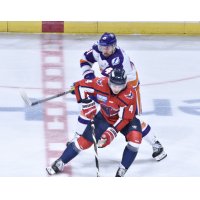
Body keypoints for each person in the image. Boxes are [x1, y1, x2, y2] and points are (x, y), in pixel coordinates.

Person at [68, 32, 167, 162]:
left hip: (128, 87)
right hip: (109, 85)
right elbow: (84, 60)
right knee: (87, 106)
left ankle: (156, 145)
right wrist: (87, 76)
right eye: (103, 47)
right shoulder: (97, 48)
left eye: (108, 48)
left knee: (133, 119)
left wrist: (83, 85)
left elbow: (105, 82)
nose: (105, 50)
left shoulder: (119, 59)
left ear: (115, 46)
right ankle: (77, 137)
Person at [46, 68, 142, 177]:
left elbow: (125, 118)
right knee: (84, 142)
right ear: (109, 81)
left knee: (135, 140)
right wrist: (86, 102)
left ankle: (123, 168)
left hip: (125, 121)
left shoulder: (130, 93)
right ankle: (61, 161)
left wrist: (112, 132)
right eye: (114, 85)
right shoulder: (100, 83)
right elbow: (79, 85)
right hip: (105, 117)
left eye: (120, 86)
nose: (116, 89)